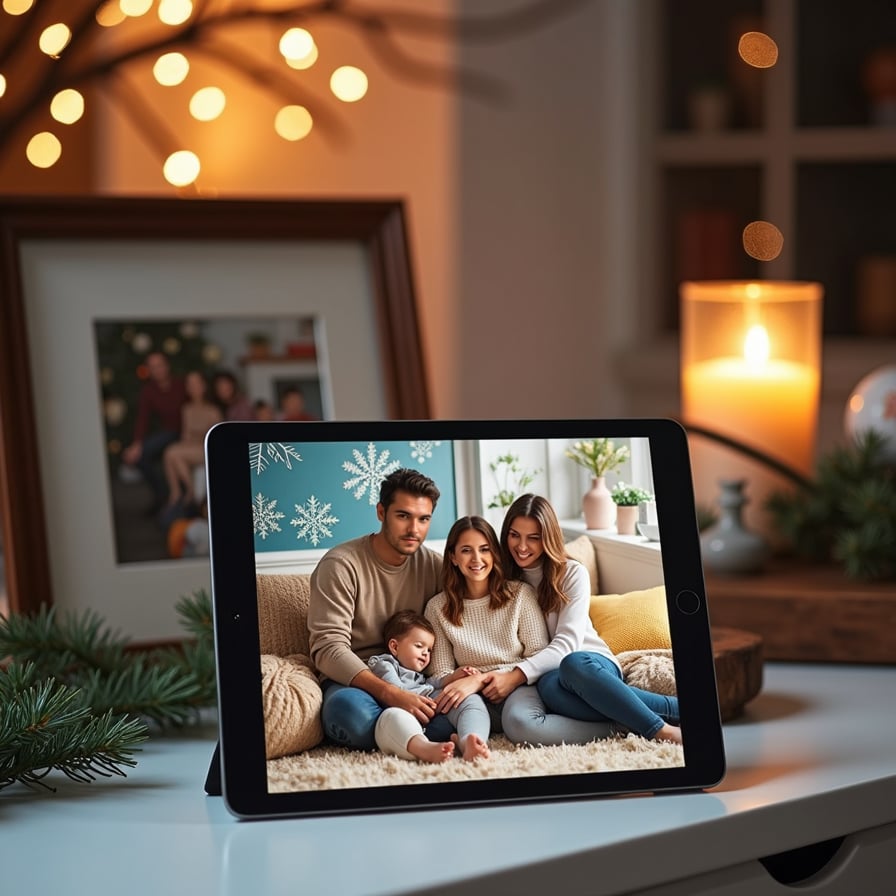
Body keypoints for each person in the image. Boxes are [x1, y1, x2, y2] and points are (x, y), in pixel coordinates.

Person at [492, 494, 681, 746]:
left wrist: (515, 676)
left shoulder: (571, 573)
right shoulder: (502, 578)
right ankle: (640, 717)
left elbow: (567, 645)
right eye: (515, 535)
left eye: (533, 537)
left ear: (548, 538)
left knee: (571, 663)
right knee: (550, 689)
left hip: (589, 665)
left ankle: (660, 729)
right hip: (548, 674)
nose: (522, 546)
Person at [307, 468, 446, 752]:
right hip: (355, 683)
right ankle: (412, 735)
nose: (414, 529)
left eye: (423, 519)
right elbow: (328, 647)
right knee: (350, 716)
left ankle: (402, 736)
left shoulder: (434, 566)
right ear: (381, 512)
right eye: (403, 516)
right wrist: (390, 694)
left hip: (413, 680)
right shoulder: (341, 564)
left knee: (461, 711)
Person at [423, 515, 549, 760]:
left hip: (516, 685)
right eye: (466, 550)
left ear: (495, 554)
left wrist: (483, 679)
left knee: (521, 722)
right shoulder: (437, 607)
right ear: (453, 557)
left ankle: (611, 727)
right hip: (468, 694)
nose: (476, 559)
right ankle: (472, 743)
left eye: (484, 549)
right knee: (447, 715)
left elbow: (538, 656)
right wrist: (457, 677)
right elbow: (439, 672)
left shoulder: (520, 594)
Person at [369, 610, 487, 764]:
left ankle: (470, 741)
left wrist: (454, 677)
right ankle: (426, 749)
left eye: (429, 650)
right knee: (391, 717)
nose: (425, 653)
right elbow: (395, 690)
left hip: (431, 713)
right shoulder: (384, 664)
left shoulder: (419, 676)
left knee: (469, 700)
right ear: (394, 647)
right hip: (403, 715)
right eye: (419, 646)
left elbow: (433, 683)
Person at [121, 351, 186, 511]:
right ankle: (162, 494)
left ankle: (172, 496)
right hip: (169, 433)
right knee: (140, 455)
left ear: (167, 366)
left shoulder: (181, 385)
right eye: (153, 367)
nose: (158, 370)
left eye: (160, 365)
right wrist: (137, 444)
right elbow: (142, 419)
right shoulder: (148, 391)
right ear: (149, 370)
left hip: (186, 432)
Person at [162, 370, 222, 510]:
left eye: (196, 384)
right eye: (190, 384)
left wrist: (196, 436)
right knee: (171, 453)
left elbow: (215, 437)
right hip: (191, 446)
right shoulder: (186, 409)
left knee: (172, 453)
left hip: (206, 448)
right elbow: (186, 435)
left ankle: (189, 491)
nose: (193, 388)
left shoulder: (213, 410)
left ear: (204, 386)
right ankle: (178, 491)